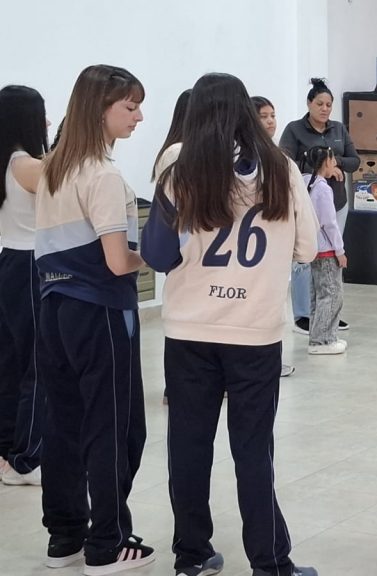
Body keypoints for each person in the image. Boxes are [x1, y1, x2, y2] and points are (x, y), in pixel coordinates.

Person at [141, 72, 319, 576]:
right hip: (254, 332)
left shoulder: (179, 167)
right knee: (252, 451)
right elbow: (306, 248)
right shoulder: (280, 168)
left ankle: (191, 555)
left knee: (189, 446)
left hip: (189, 331)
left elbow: (156, 254)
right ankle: (270, 562)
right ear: (246, 109)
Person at [35, 64, 154, 574]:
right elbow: (116, 261)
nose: (139, 116)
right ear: (99, 108)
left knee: (63, 422)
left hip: (53, 308)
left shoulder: (55, 171)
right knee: (116, 427)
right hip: (101, 310)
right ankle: (108, 542)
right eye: (129, 107)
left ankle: (65, 537)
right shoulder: (103, 175)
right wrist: (156, 253)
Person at [279, 78, 359, 335]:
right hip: (307, 204)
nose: (325, 109)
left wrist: (336, 166)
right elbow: (285, 162)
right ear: (309, 104)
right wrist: (318, 170)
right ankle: (303, 315)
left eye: (328, 105)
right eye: (320, 104)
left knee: (332, 256)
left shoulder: (338, 129)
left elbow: (354, 160)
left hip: (335, 201)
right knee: (304, 259)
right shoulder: (294, 130)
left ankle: (328, 312)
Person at [0, 85, 48, 487]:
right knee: (38, 363)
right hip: (32, 263)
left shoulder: (7, 162)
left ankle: (8, 448)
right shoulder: (30, 166)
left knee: (10, 362)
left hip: (8, 261)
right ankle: (27, 459)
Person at [252, 95, 297, 377]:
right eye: (263, 116)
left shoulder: (280, 159)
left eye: (272, 115)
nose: (270, 121)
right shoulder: (263, 162)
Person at [302, 146, 348, 355]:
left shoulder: (306, 184)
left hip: (314, 248)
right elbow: (330, 223)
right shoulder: (323, 189)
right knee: (331, 294)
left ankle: (319, 335)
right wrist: (340, 250)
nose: (335, 164)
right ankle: (322, 340)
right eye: (332, 161)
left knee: (318, 295)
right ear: (326, 163)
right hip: (327, 249)